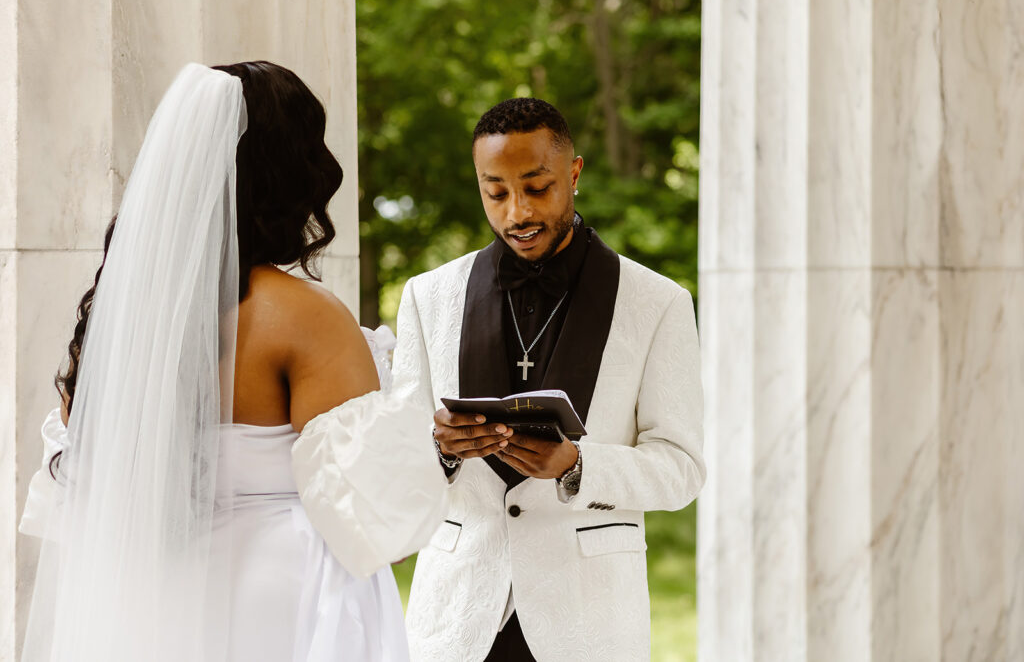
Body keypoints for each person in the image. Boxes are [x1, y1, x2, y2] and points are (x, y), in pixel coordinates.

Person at [19, 62, 447, 662]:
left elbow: (81, 493)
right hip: (284, 597)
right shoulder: (305, 317)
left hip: (162, 597)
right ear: (292, 173)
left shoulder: (123, 322)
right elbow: (378, 522)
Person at [395, 98, 706, 661]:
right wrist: (439, 451)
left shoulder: (658, 303)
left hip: (586, 624)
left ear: (575, 173)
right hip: (457, 621)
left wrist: (578, 466)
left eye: (537, 188)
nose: (517, 212)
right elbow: (394, 458)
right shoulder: (427, 296)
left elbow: (681, 469)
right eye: (496, 192)